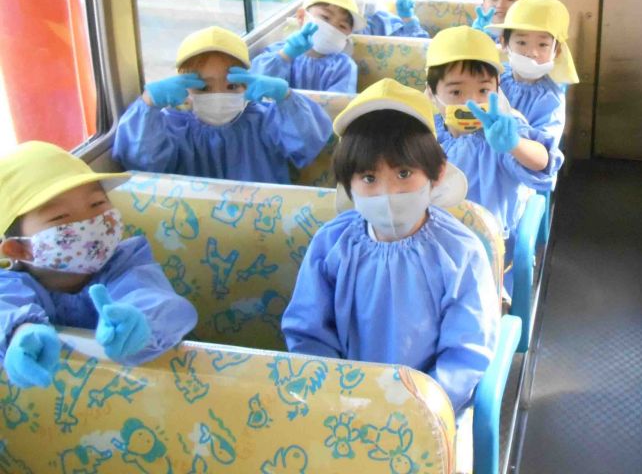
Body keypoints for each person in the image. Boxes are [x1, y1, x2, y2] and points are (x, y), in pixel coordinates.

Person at [281, 79, 498, 417]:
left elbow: (466, 351)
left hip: (429, 412)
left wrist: (421, 409)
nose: (387, 193)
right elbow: (308, 331)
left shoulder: (460, 252)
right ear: (348, 184)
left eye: (404, 173)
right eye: (369, 178)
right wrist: (335, 396)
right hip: (342, 405)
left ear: (437, 173)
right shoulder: (331, 244)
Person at [0, 142, 197, 388]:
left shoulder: (126, 262)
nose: (90, 222)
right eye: (61, 217)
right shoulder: (10, 283)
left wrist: (141, 322)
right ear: (19, 249)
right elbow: (5, 309)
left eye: (97, 205)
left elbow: (157, 299)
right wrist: (19, 332)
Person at [113, 26, 332, 184]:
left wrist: (286, 98)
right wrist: (148, 104)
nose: (218, 95)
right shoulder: (174, 127)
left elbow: (308, 144)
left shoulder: (265, 120)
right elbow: (142, 163)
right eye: (203, 88)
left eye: (231, 86)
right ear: (183, 87)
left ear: (247, 82)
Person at [426, 26, 562, 272]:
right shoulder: (426, 131)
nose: (471, 102)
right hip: (433, 239)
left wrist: (515, 145)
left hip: (492, 247)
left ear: (497, 90)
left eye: (483, 91)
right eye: (456, 92)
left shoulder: (504, 128)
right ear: (432, 94)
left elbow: (542, 161)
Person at [494, 0, 578, 142]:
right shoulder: (494, 77)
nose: (532, 53)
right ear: (504, 43)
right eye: (522, 42)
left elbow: (542, 148)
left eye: (542, 45)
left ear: (557, 50)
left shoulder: (550, 99)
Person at [251, 0, 362, 94]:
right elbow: (256, 86)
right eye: (325, 17)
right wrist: (285, 55)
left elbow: (339, 103)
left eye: (342, 26)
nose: (332, 28)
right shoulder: (276, 51)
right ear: (301, 16)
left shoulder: (344, 67)